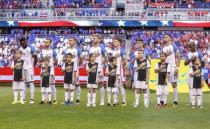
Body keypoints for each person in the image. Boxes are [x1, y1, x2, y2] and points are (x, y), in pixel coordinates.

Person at [162, 34, 180, 107]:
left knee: (174, 84)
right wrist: (166, 54)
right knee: (164, 84)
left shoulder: (173, 46)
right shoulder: (163, 48)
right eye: (164, 37)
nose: (165, 38)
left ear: (170, 38)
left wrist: (177, 68)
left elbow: (178, 57)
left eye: (166, 37)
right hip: (165, 68)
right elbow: (162, 58)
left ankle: (175, 101)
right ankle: (163, 100)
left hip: (173, 67)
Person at [89, 34, 106, 106]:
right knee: (91, 84)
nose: (94, 39)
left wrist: (100, 64)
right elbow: (89, 58)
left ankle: (102, 100)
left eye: (95, 38)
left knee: (100, 83)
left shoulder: (101, 47)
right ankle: (91, 101)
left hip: (99, 68)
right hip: (92, 68)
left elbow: (105, 57)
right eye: (93, 38)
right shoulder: (90, 49)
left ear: (99, 40)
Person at [19, 37, 37, 104]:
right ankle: (23, 98)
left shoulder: (31, 48)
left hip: (29, 68)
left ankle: (32, 99)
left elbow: (36, 57)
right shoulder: (20, 49)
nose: (23, 45)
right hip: (23, 68)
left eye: (24, 43)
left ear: (26, 42)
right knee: (23, 83)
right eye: (21, 44)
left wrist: (33, 66)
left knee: (31, 83)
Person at [64, 37, 81, 104]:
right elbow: (64, 59)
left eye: (71, 40)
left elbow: (81, 59)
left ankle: (77, 99)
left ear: (74, 41)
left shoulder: (78, 50)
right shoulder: (66, 50)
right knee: (68, 84)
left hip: (75, 70)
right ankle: (68, 100)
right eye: (69, 40)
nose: (69, 41)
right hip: (68, 70)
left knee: (76, 84)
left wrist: (76, 66)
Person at [40, 39, 57, 104]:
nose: (46, 43)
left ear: (50, 43)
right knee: (44, 84)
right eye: (45, 42)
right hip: (44, 69)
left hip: (51, 70)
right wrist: (43, 68)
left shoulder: (53, 51)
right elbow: (41, 60)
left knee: (52, 84)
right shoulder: (42, 51)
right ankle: (46, 99)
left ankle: (55, 99)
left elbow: (56, 60)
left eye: (47, 42)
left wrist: (52, 66)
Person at [112, 37, 126, 106]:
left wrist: (120, 67)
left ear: (119, 42)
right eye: (114, 41)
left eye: (115, 41)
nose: (114, 42)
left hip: (119, 70)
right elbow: (112, 61)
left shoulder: (122, 50)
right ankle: (115, 101)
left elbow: (124, 61)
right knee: (115, 85)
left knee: (119, 85)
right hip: (114, 70)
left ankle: (123, 100)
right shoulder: (113, 51)